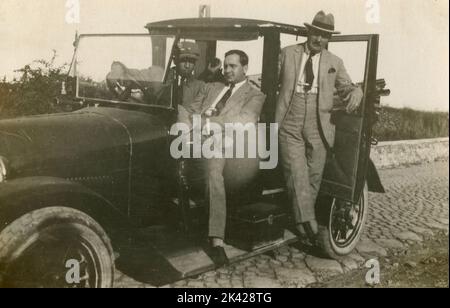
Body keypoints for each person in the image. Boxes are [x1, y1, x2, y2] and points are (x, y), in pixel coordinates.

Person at [276, 11, 363, 243]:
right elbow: (268, 80)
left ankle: (300, 220)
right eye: (316, 33)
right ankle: (308, 223)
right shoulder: (287, 54)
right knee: (296, 169)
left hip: (320, 121)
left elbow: (346, 87)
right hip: (290, 116)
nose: (319, 39)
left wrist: (357, 91)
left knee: (314, 173)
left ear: (328, 39)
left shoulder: (335, 62)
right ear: (309, 32)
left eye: (324, 36)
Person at [186, 50, 266, 266]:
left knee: (213, 171)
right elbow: (192, 109)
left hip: (227, 142)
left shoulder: (254, 94)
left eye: (233, 66)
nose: (227, 70)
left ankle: (216, 240)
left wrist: (210, 124)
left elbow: (245, 120)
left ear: (245, 68)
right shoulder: (213, 87)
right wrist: (193, 126)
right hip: (192, 136)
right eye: (226, 66)